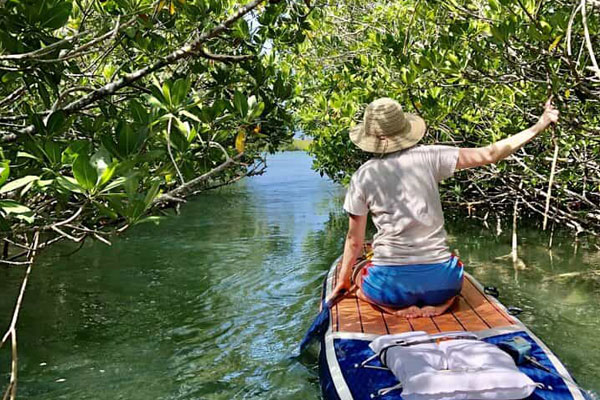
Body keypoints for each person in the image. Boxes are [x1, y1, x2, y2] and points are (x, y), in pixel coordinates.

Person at [326, 97, 559, 318]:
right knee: (452, 265)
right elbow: (491, 153)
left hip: (391, 289)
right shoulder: (430, 156)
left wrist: (343, 281)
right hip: (443, 284)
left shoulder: (363, 175)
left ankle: (391, 310)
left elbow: (354, 241)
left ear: (372, 137)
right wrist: (540, 124)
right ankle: (443, 305)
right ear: (404, 129)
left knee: (359, 274)